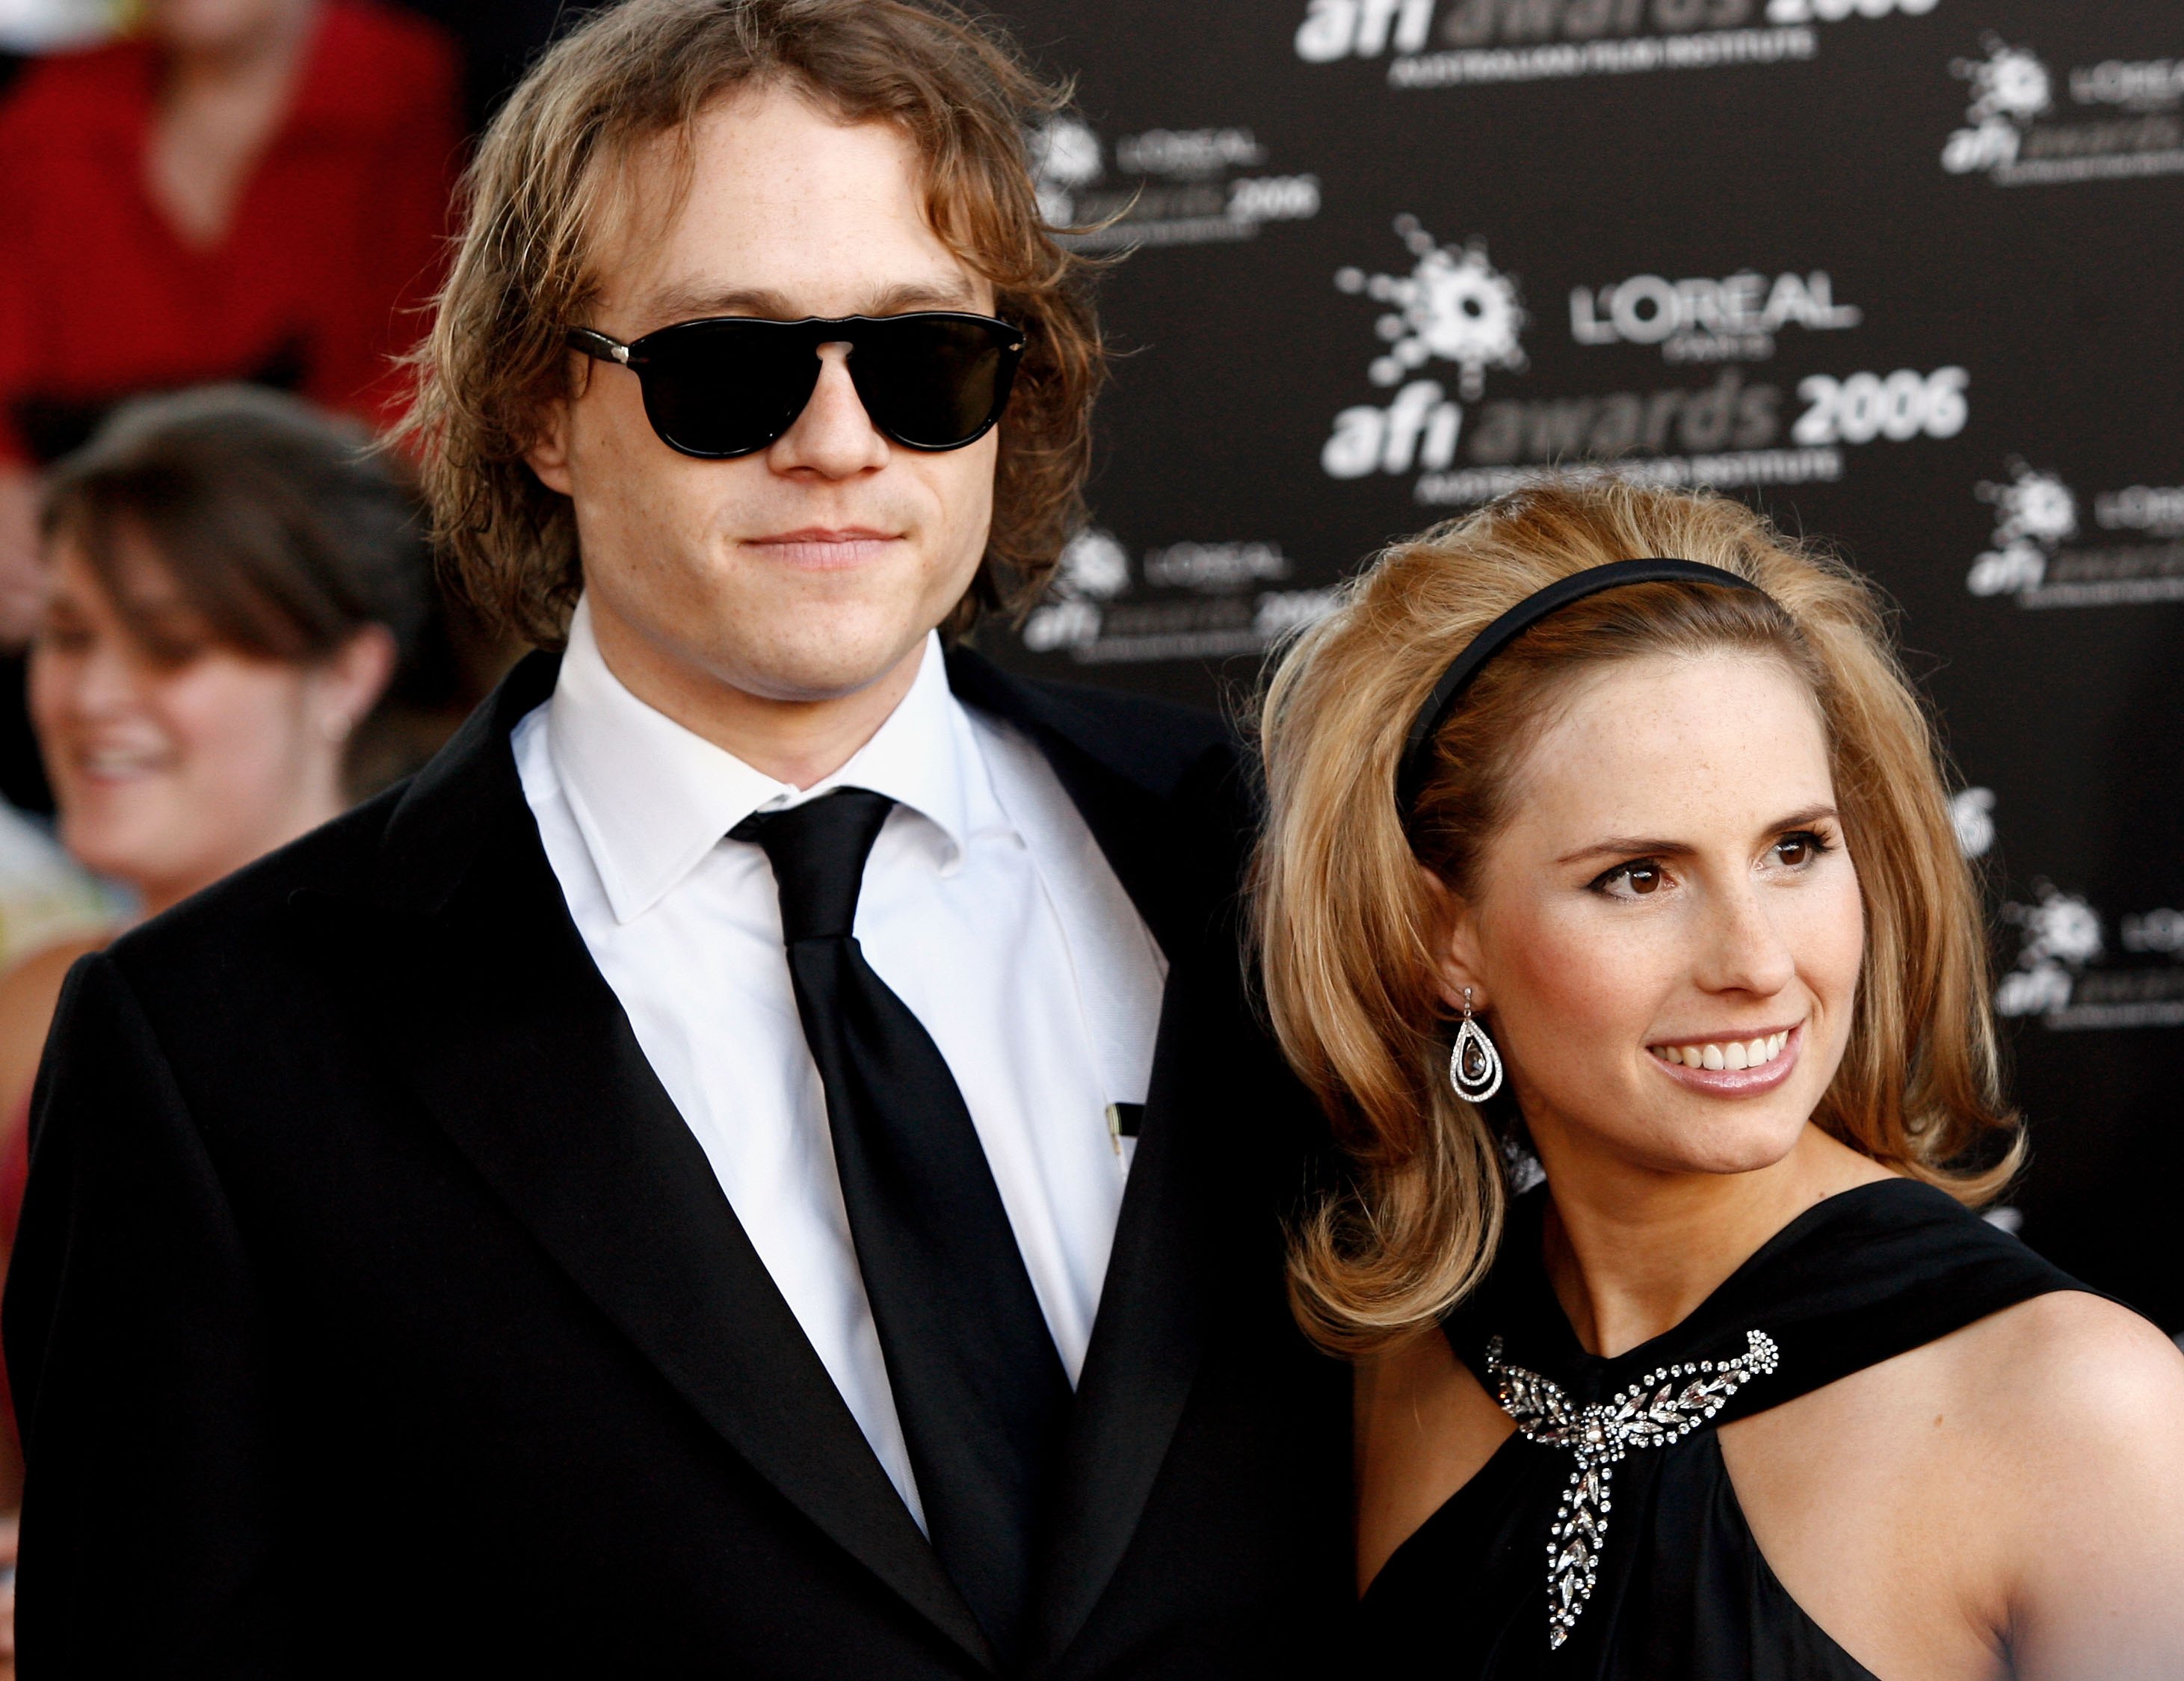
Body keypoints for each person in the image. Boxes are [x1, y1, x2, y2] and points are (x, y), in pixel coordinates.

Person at [2, 2, 1352, 1674]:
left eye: (926, 359)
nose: (840, 440)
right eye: (730, 367)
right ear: (536, 411)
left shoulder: (1271, 862)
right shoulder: (216, 1044)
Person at [1253, 481, 2184, 1680]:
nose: (1759, 963)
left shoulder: (2078, 1413)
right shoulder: (1403, 1371)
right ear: (1443, 936)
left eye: (1795, 849)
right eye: (1638, 876)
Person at [0, 383, 428, 1573]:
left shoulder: (452, 1009)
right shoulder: (41, 995)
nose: (90, 697)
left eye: (173, 643)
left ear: (346, 675)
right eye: (73, 634)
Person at [0, 0, 460, 805]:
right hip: (66, 577)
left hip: (299, 563)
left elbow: (433, 368)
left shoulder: (409, 84)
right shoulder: (56, 104)